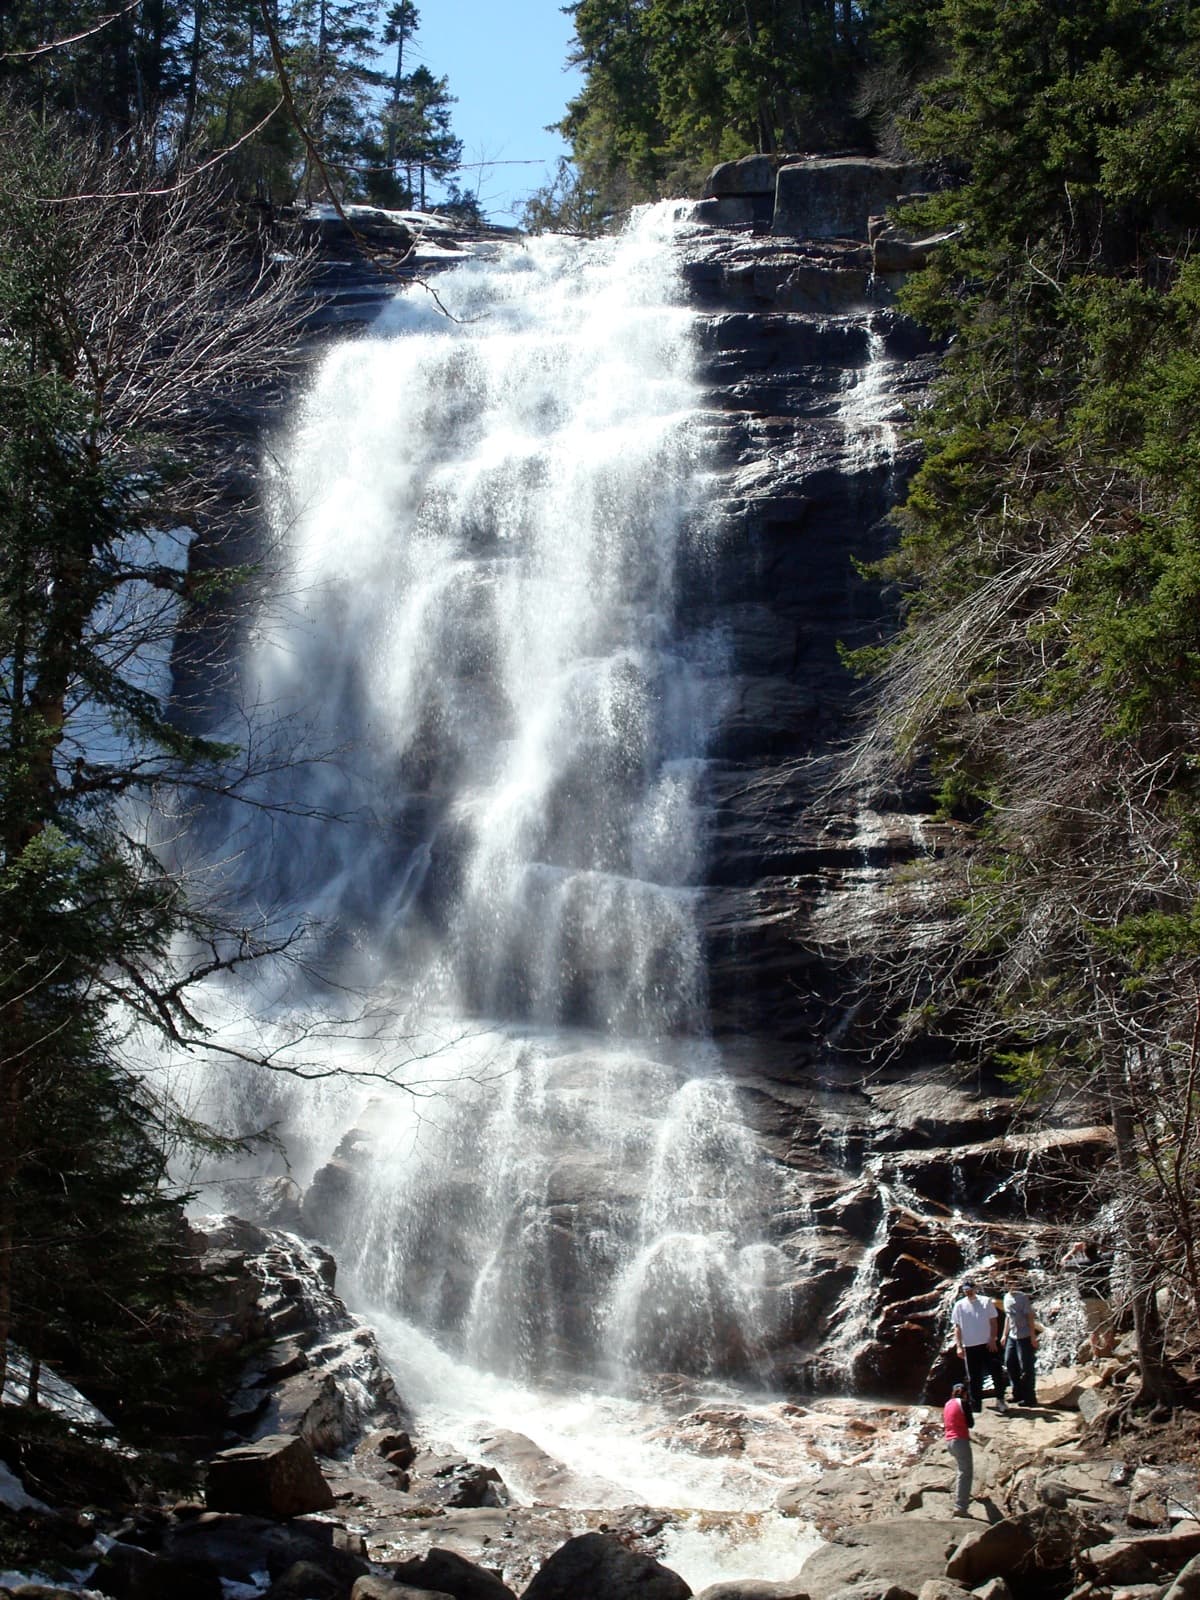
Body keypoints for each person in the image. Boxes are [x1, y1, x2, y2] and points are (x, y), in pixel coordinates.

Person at [951, 1279, 1009, 1414]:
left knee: (996, 1372)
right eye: (965, 1291)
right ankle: (976, 1405)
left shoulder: (986, 1301)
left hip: (987, 1344)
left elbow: (993, 1322)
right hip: (970, 1346)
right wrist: (959, 1346)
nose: (968, 1292)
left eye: (970, 1290)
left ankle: (1000, 1399)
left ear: (975, 1289)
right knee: (974, 1377)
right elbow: (957, 1327)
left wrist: (993, 1339)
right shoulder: (959, 1305)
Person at [1061, 1237, 1115, 1358]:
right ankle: (1110, 1353)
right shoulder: (1105, 1260)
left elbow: (1062, 1263)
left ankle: (1096, 1356)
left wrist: (1074, 1250)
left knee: (1093, 1329)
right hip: (1104, 1297)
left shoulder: (1080, 1263)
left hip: (1088, 1299)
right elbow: (1112, 1251)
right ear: (1096, 1249)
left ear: (1084, 1251)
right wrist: (1099, 1245)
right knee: (1107, 1326)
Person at [1003, 1278, 1038, 1404]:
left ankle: (1030, 1397)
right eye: (1007, 1283)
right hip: (1012, 1337)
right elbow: (1008, 1317)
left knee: (1026, 1367)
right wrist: (1004, 1335)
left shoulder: (1022, 1298)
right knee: (1009, 1363)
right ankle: (1017, 1393)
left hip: (1024, 1336)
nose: (1009, 1285)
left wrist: (1033, 1336)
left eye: (1011, 1283)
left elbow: (1030, 1316)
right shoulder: (1006, 1297)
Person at [943, 1382, 974, 1517]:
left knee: (961, 1471)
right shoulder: (963, 1403)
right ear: (965, 1393)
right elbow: (971, 1423)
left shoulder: (947, 1404)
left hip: (949, 1442)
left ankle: (961, 1498)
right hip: (960, 1441)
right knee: (965, 1473)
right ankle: (960, 1507)